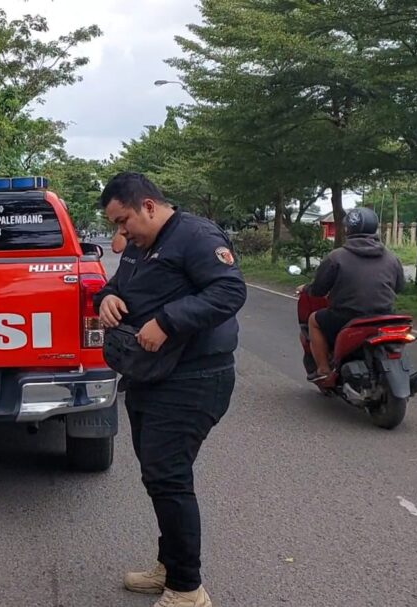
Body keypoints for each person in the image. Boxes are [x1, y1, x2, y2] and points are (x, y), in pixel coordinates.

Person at [94, 173, 246, 607]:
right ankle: (169, 564)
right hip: (150, 375)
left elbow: (229, 290)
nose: (121, 234)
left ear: (147, 206)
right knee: (158, 476)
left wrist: (168, 321)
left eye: (124, 221)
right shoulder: (141, 247)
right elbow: (118, 287)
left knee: (169, 476)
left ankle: (186, 588)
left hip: (195, 377)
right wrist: (104, 298)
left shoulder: (195, 236)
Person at [302, 207, 405, 384]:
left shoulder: (336, 257)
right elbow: (400, 287)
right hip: (385, 317)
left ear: (348, 229)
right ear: (374, 229)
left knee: (313, 320)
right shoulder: (391, 258)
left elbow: (318, 290)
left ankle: (323, 369)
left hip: (347, 317)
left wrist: (307, 288)